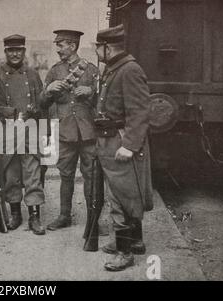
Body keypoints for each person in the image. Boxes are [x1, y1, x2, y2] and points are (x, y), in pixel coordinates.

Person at [94, 24, 153, 271]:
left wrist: (129, 145)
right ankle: (136, 241)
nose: (96, 51)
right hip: (110, 139)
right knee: (126, 193)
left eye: (98, 47)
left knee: (121, 197)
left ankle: (124, 251)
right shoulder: (114, 68)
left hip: (120, 140)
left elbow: (140, 110)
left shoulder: (129, 70)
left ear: (108, 47)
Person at [0, 34, 46, 235]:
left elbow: (43, 105)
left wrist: (45, 133)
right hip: (6, 131)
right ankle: (16, 214)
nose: (15, 54)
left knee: (32, 174)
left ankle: (34, 216)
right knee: (10, 175)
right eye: (11, 50)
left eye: (19, 50)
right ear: (6, 52)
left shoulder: (33, 75)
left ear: (24, 51)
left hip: (30, 131)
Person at [41, 30, 99, 231]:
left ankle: (93, 220)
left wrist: (91, 92)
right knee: (65, 175)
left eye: (61, 45)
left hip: (88, 131)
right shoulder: (55, 71)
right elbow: (41, 103)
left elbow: (102, 101)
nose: (58, 49)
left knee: (91, 176)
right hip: (65, 131)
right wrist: (49, 90)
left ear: (73, 46)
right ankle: (64, 215)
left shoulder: (90, 70)